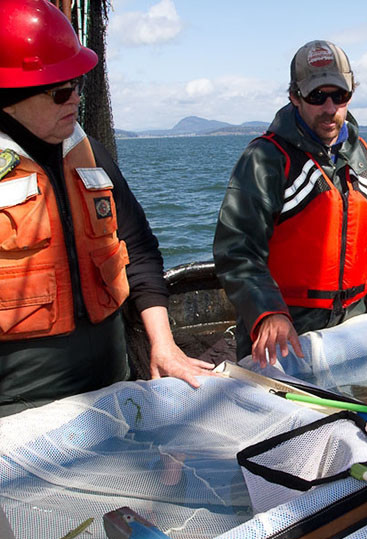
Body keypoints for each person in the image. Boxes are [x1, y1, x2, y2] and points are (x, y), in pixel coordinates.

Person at [0, 0, 214, 417]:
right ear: (9, 98)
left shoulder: (89, 155)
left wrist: (164, 346)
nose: (77, 99)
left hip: (114, 390)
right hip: (17, 411)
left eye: (79, 82)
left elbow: (139, 247)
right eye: (62, 91)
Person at [214, 40, 367, 367]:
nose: (330, 107)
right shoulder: (265, 159)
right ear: (294, 96)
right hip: (285, 332)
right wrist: (268, 313)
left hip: (355, 334)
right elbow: (237, 249)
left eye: (340, 95)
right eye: (317, 96)